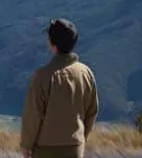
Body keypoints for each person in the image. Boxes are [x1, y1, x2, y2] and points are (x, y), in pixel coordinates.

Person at [20, 18, 100, 158]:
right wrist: (82, 137)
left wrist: (26, 146)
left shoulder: (42, 76)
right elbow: (92, 110)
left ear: (52, 44)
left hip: (45, 149)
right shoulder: (86, 73)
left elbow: (33, 116)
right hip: (75, 147)